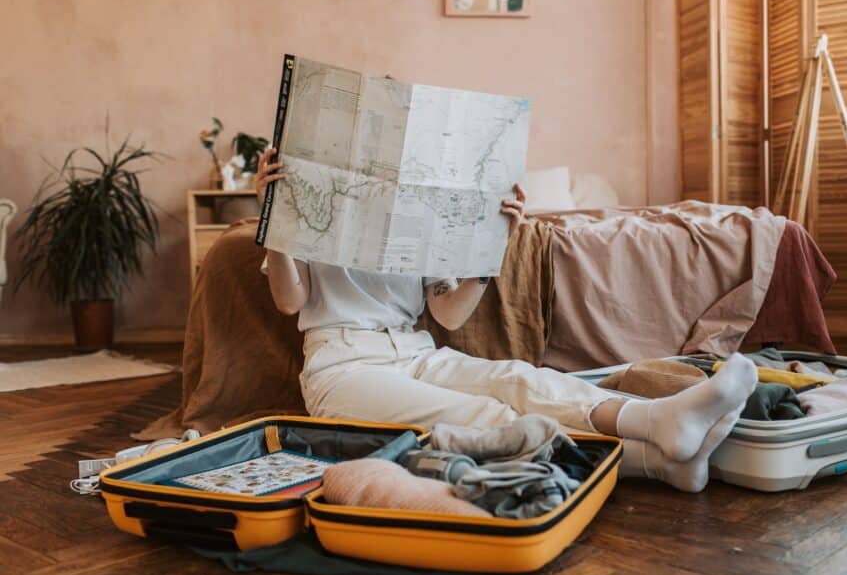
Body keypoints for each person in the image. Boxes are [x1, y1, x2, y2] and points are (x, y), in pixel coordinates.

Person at [255, 148, 757, 492]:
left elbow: (446, 312)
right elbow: (288, 301)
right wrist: (274, 220)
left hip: (415, 351)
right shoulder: (308, 206)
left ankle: (658, 422)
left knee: (518, 379)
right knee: (483, 418)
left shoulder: (418, 211)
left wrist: (491, 246)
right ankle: (654, 462)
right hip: (343, 366)